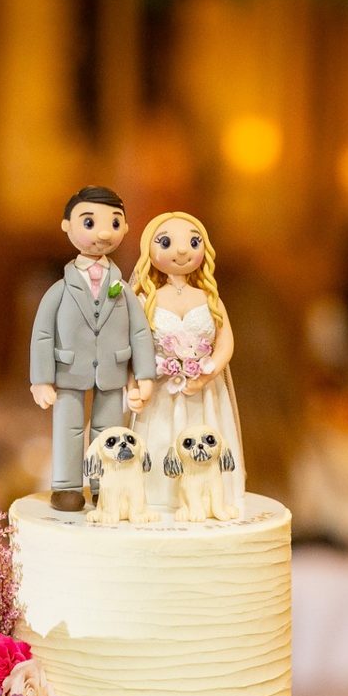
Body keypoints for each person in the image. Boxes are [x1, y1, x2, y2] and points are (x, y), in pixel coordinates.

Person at [29, 185, 155, 511]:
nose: (102, 232)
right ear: (66, 225)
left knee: (109, 433)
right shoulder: (59, 289)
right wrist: (41, 379)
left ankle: (104, 486)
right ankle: (67, 487)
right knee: (68, 431)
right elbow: (42, 333)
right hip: (69, 371)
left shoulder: (122, 289)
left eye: (114, 223)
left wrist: (144, 375)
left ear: (125, 228)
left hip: (113, 370)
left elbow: (140, 332)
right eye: (89, 222)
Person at [127, 209, 244, 511]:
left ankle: (208, 500)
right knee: (160, 437)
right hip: (160, 391)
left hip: (204, 391)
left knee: (205, 438)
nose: (181, 250)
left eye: (193, 242)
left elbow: (225, 340)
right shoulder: (144, 300)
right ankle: (160, 495)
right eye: (166, 242)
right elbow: (133, 346)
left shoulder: (209, 298)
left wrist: (210, 370)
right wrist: (136, 383)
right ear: (148, 252)